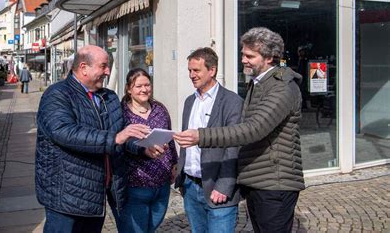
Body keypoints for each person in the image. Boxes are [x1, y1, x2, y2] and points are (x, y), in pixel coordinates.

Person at [174, 27, 305, 233]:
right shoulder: (260, 84)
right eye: (243, 54)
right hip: (259, 181)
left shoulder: (282, 87)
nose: (243, 59)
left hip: (274, 182)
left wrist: (201, 136)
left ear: (269, 57)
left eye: (250, 56)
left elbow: (253, 129)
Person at [35, 45, 151, 233]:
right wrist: (116, 138)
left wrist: (141, 148)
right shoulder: (57, 94)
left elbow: (120, 135)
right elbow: (64, 132)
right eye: (103, 66)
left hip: (97, 194)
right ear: (83, 68)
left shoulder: (109, 97)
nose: (107, 71)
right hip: (66, 197)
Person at [174, 47, 243, 232]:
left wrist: (224, 186)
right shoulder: (190, 101)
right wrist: (182, 176)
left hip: (218, 187)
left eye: (196, 70)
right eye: (189, 70)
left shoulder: (232, 101)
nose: (191, 75)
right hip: (191, 186)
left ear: (212, 70)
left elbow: (234, 146)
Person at [118, 68, 178, 233]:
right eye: (138, 86)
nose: (144, 89)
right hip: (135, 185)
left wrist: (174, 163)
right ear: (129, 89)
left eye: (147, 85)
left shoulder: (159, 109)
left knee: (151, 228)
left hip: (162, 183)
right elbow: (121, 143)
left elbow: (169, 138)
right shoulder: (121, 113)